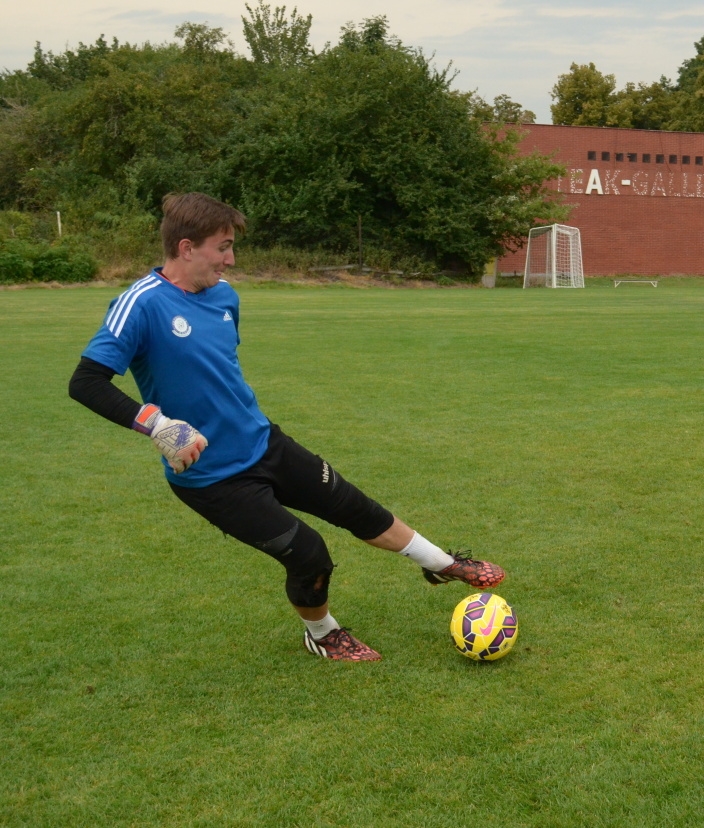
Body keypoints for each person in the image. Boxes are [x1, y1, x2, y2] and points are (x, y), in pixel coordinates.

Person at [68, 192, 505, 662]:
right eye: (223, 246)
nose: (231, 259)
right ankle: (321, 633)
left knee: (357, 507)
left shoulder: (224, 297)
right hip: (212, 477)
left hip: (264, 442)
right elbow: (86, 382)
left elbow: (219, 369)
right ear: (187, 246)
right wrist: (156, 425)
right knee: (309, 554)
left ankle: (445, 564)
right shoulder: (140, 303)